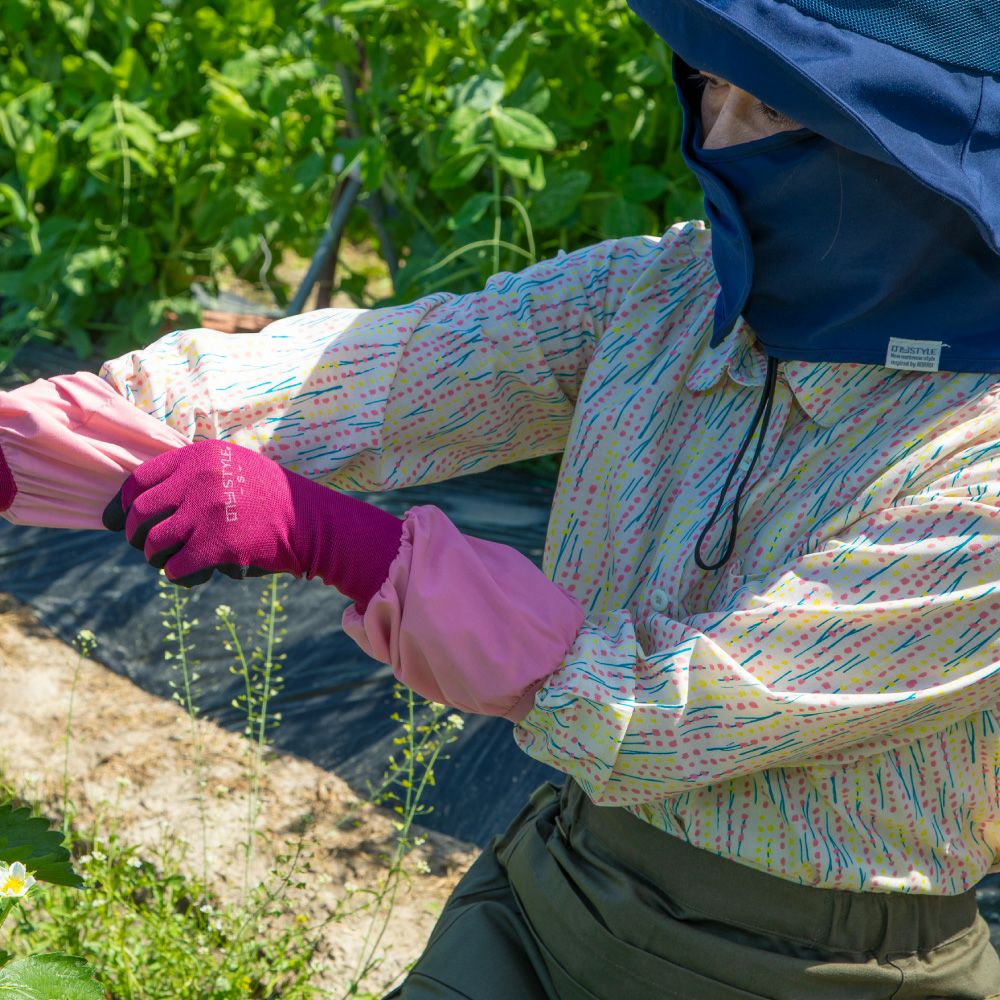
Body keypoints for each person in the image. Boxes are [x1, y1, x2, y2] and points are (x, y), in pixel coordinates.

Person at [3, 0, 1000, 996]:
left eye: (776, 108)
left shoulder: (977, 467)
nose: (720, 138)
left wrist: (353, 548)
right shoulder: (666, 302)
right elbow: (393, 376)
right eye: (710, 89)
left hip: (825, 966)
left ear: (920, 148)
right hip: (568, 871)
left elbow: (660, 715)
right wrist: (56, 431)